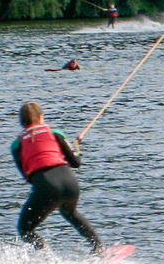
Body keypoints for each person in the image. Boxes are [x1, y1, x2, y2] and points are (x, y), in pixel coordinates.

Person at [11, 102, 104, 254]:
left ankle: (47, 257)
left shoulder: (17, 145)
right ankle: (99, 248)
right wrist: (76, 150)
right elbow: (75, 162)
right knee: (70, 212)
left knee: (25, 228)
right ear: (41, 118)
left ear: (22, 122)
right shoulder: (56, 133)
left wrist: (47, 196)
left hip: (46, 186)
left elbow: (27, 176)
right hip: (70, 182)